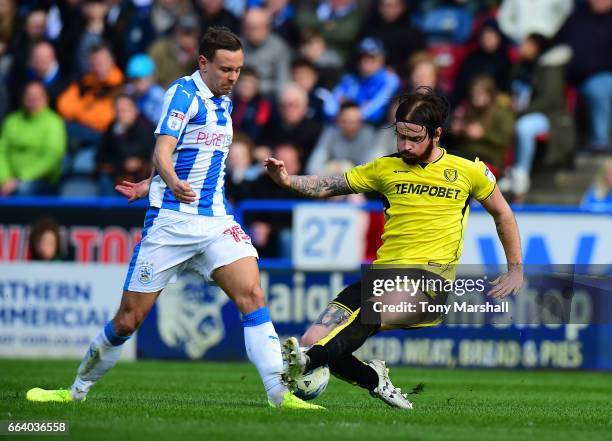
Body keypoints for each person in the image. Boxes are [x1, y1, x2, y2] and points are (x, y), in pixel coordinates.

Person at [26, 26, 322, 411]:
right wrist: (167, 181)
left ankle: (280, 398)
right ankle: (75, 391)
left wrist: (147, 185)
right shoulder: (182, 94)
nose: (234, 77)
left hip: (215, 220)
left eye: (238, 69)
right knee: (128, 321)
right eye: (226, 69)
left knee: (253, 295)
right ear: (203, 62)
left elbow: (188, 154)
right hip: (171, 223)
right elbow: (163, 150)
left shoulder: (225, 101)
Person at [264, 87, 523, 409]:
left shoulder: (468, 171)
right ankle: (374, 380)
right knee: (313, 337)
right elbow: (329, 185)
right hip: (382, 275)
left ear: (436, 134)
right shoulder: (385, 168)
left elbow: (503, 213)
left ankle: (307, 361)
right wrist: (288, 181)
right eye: (400, 137)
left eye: (414, 139)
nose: (405, 146)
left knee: (360, 322)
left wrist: (515, 269)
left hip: (429, 282)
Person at [0, 81, 66, 196]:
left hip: (40, 179)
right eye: (29, 95)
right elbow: (1, 151)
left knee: (24, 189)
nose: (32, 99)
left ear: (45, 99)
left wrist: (21, 179)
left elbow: (52, 156)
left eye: (37, 96)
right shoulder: (12, 121)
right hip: (9, 178)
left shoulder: (53, 122)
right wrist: (5, 177)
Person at [450, 75, 514, 174]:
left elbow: (505, 139)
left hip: (489, 157)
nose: (476, 98)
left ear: (490, 95)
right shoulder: (469, 109)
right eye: (474, 94)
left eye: (480, 94)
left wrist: (483, 134)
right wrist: (459, 130)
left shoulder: (502, 112)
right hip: (466, 154)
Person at [332, 37, 400, 125]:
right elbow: (330, 108)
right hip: (344, 126)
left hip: (377, 129)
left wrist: (352, 114)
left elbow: (375, 111)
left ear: (382, 59)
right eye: (362, 57)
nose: (365, 62)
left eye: (371, 58)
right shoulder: (350, 79)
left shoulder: (390, 79)